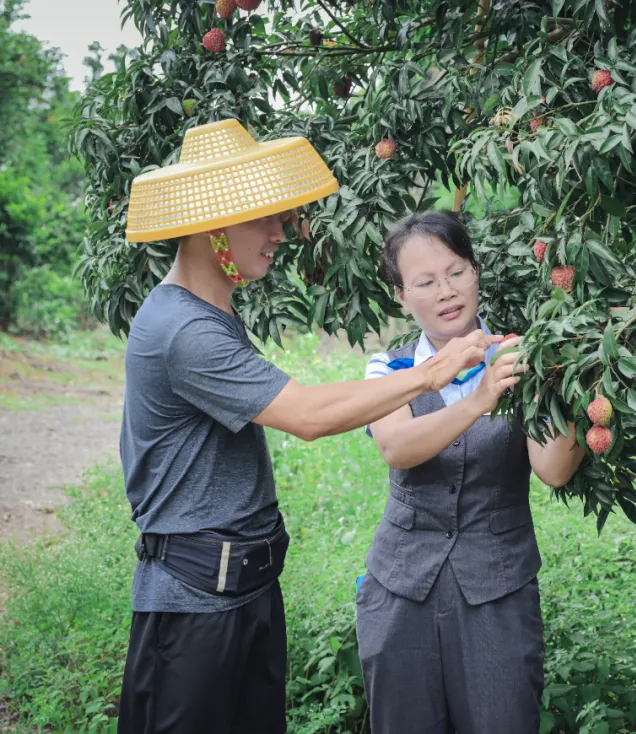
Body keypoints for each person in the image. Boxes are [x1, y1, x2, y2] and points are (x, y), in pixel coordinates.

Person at [116, 120, 500, 734]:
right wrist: (433, 374)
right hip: (195, 604)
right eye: (264, 220)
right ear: (214, 227)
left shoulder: (211, 313)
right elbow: (308, 415)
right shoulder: (184, 330)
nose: (280, 234)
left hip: (242, 590)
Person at [355, 211, 586, 733]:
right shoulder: (389, 371)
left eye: (456, 272)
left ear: (476, 271)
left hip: (497, 594)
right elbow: (397, 447)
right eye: (425, 282)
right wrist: (480, 398)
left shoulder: (521, 357)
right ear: (401, 295)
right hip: (400, 592)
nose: (446, 291)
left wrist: (572, 383)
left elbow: (552, 470)